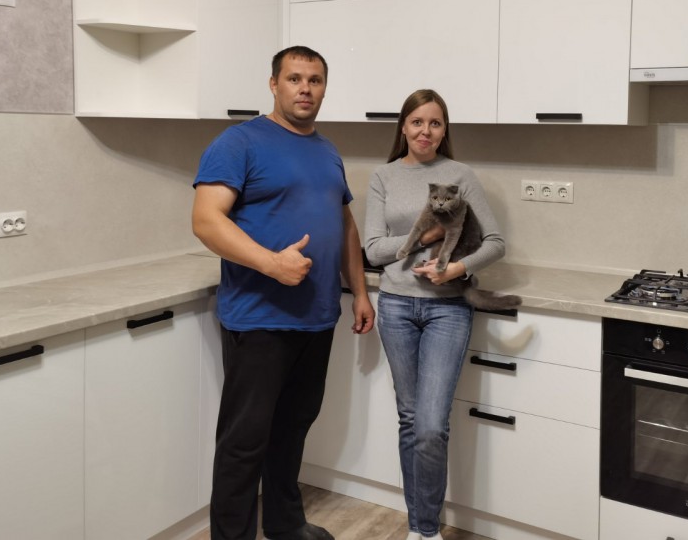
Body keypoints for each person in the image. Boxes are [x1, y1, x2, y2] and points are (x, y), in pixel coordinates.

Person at [191, 45, 375, 540]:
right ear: (274, 84)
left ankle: (285, 524)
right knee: (244, 442)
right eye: (294, 79)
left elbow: (344, 223)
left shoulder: (327, 150)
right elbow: (206, 220)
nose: (305, 89)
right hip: (260, 319)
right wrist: (272, 263)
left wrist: (358, 291)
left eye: (315, 80)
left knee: (293, 429)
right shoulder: (240, 142)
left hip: (317, 317)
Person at [363, 89, 506, 540]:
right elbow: (373, 250)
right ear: (403, 127)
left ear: (445, 130)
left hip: (448, 310)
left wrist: (457, 269)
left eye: (435, 123)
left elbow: (495, 242)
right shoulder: (383, 176)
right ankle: (419, 529)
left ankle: (426, 530)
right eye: (417, 122)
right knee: (410, 420)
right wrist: (428, 237)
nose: (425, 131)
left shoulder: (460, 175)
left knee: (429, 426)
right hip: (396, 306)